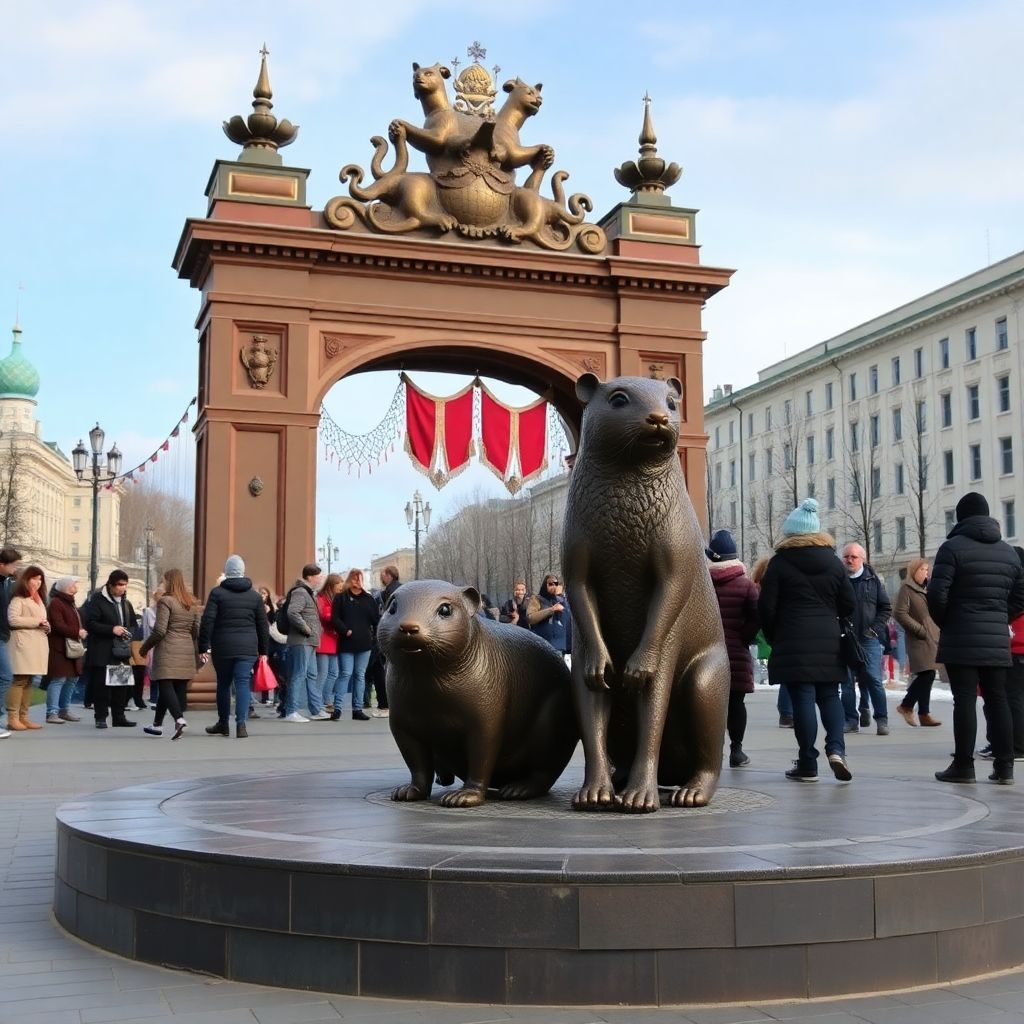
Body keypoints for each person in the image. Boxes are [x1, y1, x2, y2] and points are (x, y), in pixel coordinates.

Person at [928, 492, 1024, 785]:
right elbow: (1020, 596)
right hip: (995, 638)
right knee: (999, 700)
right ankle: (1005, 767)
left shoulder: (951, 548)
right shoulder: (1008, 552)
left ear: (961, 517)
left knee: (965, 701)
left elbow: (936, 595)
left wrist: (949, 621)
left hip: (961, 637)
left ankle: (963, 766)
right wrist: (999, 618)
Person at [758, 498, 855, 782]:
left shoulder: (779, 563)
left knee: (802, 699)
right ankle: (836, 749)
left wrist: (776, 635)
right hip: (829, 641)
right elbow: (849, 604)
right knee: (830, 696)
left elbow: (766, 607)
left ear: (791, 533)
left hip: (793, 640)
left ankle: (808, 762)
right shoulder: (834, 563)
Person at [198, 554, 269, 738]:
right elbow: (262, 625)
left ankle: (223, 723)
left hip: (223, 646)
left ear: (226, 572)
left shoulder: (217, 593)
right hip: (247, 648)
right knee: (243, 683)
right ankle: (241, 725)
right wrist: (264, 651)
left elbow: (208, 621)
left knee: (223, 684)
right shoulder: (254, 596)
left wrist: (203, 646)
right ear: (243, 572)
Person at [706, 530, 761, 768]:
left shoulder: (702, 584)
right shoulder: (746, 586)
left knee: (707, 704)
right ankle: (736, 751)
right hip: (735, 653)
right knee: (735, 704)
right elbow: (757, 617)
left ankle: (708, 753)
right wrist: (743, 637)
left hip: (706, 653)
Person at [140, 569, 201, 741]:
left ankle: (179, 719)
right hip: (186, 648)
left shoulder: (165, 601)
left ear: (169, 582)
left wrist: (144, 648)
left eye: (163, 580)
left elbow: (160, 630)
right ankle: (157, 725)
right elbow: (195, 630)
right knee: (177, 687)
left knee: (165, 684)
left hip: (168, 648)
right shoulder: (192, 602)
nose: (162, 583)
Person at [840, 542, 892, 735]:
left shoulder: (873, 580)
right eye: (846, 556)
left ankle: (882, 719)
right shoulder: (838, 580)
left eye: (853, 557)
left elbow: (885, 608)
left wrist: (875, 629)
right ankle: (850, 720)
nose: (849, 560)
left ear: (862, 559)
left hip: (868, 637)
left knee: (874, 680)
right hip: (845, 638)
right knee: (846, 683)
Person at [81, 570, 138, 729]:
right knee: (102, 686)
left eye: (125, 585)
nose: (123, 588)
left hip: (121, 650)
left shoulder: (126, 603)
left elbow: (133, 624)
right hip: (102, 650)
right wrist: (111, 629)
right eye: (120, 585)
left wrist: (129, 633)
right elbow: (90, 623)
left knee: (121, 686)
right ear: (111, 585)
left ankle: (119, 717)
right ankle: (101, 717)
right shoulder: (98, 600)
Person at [893, 557, 942, 728]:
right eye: (923, 570)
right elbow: (899, 613)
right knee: (927, 673)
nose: (926, 573)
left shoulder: (926, 589)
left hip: (931, 637)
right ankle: (906, 705)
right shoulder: (907, 589)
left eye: (927, 570)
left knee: (926, 674)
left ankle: (924, 713)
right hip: (918, 638)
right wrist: (919, 629)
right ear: (914, 571)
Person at [5, 565, 51, 731]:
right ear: (26, 579)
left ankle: (24, 716)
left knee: (29, 681)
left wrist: (46, 626)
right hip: (22, 643)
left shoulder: (38, 599)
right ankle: (13, 717)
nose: (38, 582)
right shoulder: (18, 599)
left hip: (36, 643)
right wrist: (37, 622)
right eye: (34, 578)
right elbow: (13, 620)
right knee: (19, 680)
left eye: (40, 579)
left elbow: (41, 620)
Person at [332, 568, 380, 721]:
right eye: (354, 579)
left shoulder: (368, 599)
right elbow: (335, 618)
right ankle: (337, 708)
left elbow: (375, 620)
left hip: (364, 643)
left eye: (360, 579)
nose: (357, 582)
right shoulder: (341, 598)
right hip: (346, 642)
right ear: (349, 580)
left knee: (360, 675)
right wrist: (344, 630)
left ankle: (357, 709)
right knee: (345, 673)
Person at [282, 563, 324, 722]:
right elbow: (293, 612)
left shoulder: (309, 592)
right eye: (318, 576)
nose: (320, 579)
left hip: (310, 641)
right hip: (302, 641)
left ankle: (316, 710)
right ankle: (291, 712)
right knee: (298, 674)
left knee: (311, 674)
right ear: (310, 577)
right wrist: (306, 629)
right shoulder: (300, 591)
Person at [45, 576, 85, 724]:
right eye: (75, 584)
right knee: (59, 679)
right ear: (68, 586)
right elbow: (58, 625)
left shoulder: (70, 603)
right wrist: (77, 632)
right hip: (59, 648)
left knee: (72, 678)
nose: (77, 586)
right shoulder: (57, 603)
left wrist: (79, 632)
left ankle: (64, 710)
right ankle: (52, 712)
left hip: (72, 647)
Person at [0, 545, 22, 738]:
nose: (16, 568)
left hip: (2, 635)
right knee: (7, 676)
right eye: (13, 565)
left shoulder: (7, 582)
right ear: (2, 564)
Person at [316, 573, 342, 716]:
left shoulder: (336, 598)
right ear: (331, 585)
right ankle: (318, 702)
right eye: (338, 586)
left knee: (334, 673)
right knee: (323, 673)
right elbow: (325, 616)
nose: (340, 589)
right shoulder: (322, 597)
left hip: (333, 638)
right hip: (324, 638)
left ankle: (326, 699)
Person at [527, 573, 572, 656]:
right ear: (545, 585)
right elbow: (530, 618)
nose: (553, 586)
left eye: (556, 584)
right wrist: (551, 610)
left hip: (558, 645)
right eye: (550, 584)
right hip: (540, 643)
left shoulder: (561, 600)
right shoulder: (536, 599)